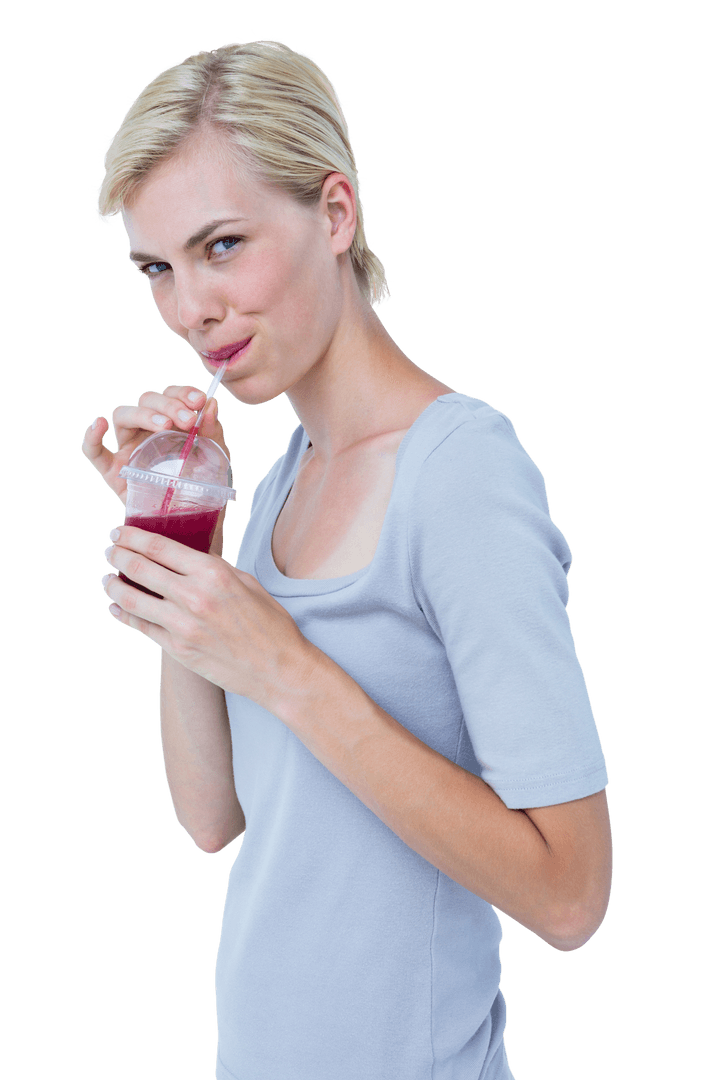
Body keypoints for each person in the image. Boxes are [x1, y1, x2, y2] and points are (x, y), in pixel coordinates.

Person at [81, 38, 612, 1080]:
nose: (191, 308)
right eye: (158, 268)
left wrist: (284, 665)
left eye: (222, 245)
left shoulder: (461, 475)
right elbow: (211, 818)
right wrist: (186, 536)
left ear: (335, 214)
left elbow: (570, 897)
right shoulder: (281, 479)